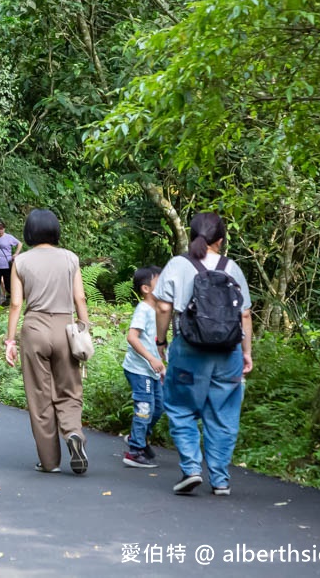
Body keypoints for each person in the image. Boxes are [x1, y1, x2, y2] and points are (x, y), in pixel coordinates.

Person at [154, 212, 253, 496]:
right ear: (220, 240)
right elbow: (244, 313)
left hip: (189, 349)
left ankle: (192, 468)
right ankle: (220, 479)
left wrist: (161, 341)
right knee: (223, 413)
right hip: (228, 351)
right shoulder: (231, 267)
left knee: (181, 407)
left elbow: (163, 308)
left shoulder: (178, 264)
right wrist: (246, 352)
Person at [4, 209, 90, 475]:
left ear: (29, 232)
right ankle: (73, 433)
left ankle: (50, 461)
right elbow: (80, 299)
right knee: (70, 389)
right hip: (65, 328)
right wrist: (84, 328)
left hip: (34, 328)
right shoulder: (70, 258)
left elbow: (16, 303)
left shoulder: (21, 261)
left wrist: (10, 340)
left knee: (40, 396)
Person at [122, 266, 164, 469]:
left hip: (153, 370)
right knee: (145, 408)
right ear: (146, 288)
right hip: (139, 370)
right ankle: (135, 451)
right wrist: (151, 359)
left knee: (159, 407)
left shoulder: (160, 310)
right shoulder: (144, 310)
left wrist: (162, 364)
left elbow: (157, 342)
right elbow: (132, 337)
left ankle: (138, 437)